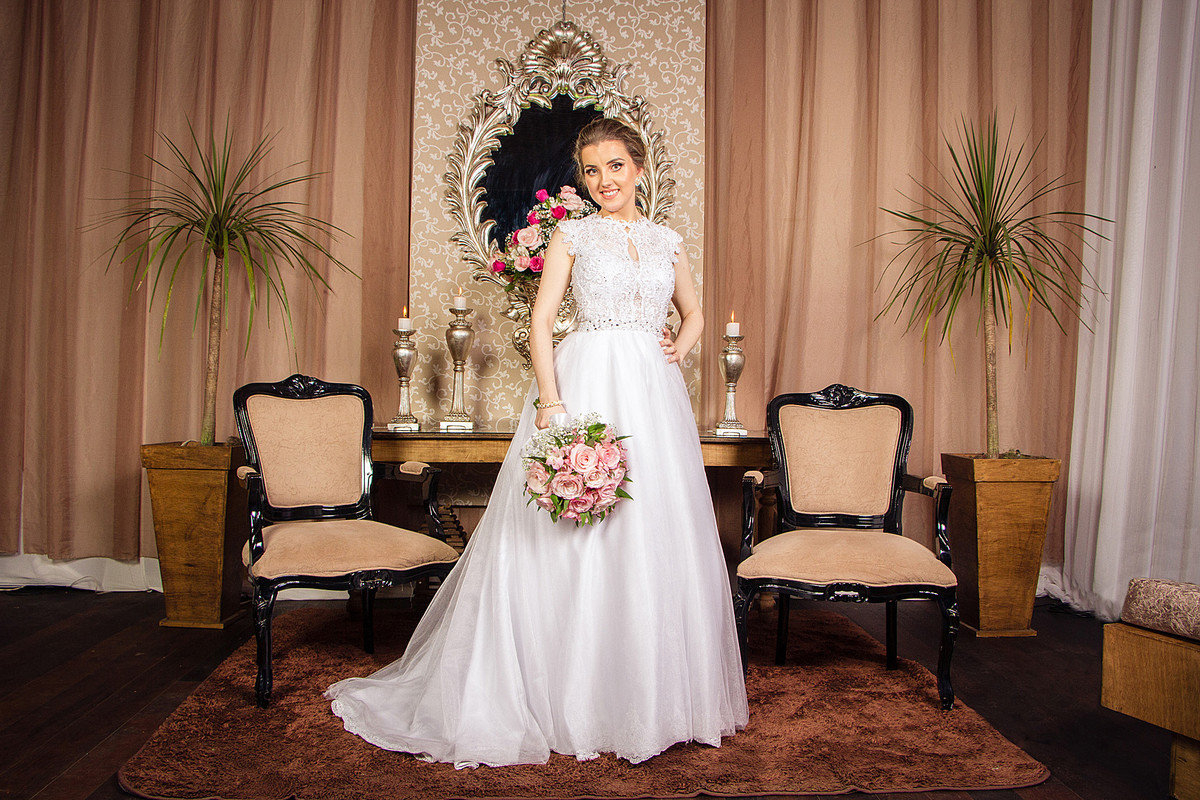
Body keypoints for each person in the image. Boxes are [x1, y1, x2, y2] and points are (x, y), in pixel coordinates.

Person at [326, 118, 748, 767]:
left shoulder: (668, 241)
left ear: (638, 169)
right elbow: (543, 321)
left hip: (654, 398)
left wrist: (677, 350)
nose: (603, 180)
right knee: (577, 530)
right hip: (586, 384)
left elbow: (692, 312)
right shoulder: (571, 234)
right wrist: (553, 401)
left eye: (614, 166)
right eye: (591, 170)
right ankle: (564, 696)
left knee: (649, 531)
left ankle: (647, 697)